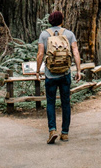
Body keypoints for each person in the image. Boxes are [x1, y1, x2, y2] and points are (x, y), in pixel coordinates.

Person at [35, 10, 82, 144]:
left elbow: (40, 54)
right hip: (65, 74)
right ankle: (65, 133)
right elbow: (75, 52)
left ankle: (52, 130)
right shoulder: (69, 34)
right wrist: (78, 69)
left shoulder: (44, 35)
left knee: (50, 103)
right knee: (65, 102)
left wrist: (37, 71)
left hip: (50, 75)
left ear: (50, 20)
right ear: (62, 20)